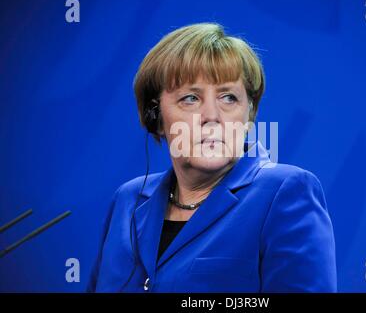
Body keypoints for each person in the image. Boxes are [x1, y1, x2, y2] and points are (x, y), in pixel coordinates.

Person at [87, 23, 337, 292]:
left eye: (229, 97)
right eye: (191, 98)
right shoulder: (128, 199)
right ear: (155, 117)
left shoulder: (285, 192)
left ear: (248, 115)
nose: (212, 116)